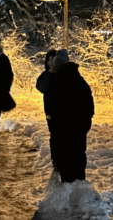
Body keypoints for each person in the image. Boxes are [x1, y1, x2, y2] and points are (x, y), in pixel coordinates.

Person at [43, 49, 94, 182]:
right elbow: (89, 105)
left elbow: (50, 98)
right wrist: (85, 123)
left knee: (66, 159)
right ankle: (80, 186)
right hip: (79, 127)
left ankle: (68, 188)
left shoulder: (57, 81)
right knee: (78, 157)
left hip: (64, 128)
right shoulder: (79, 79)